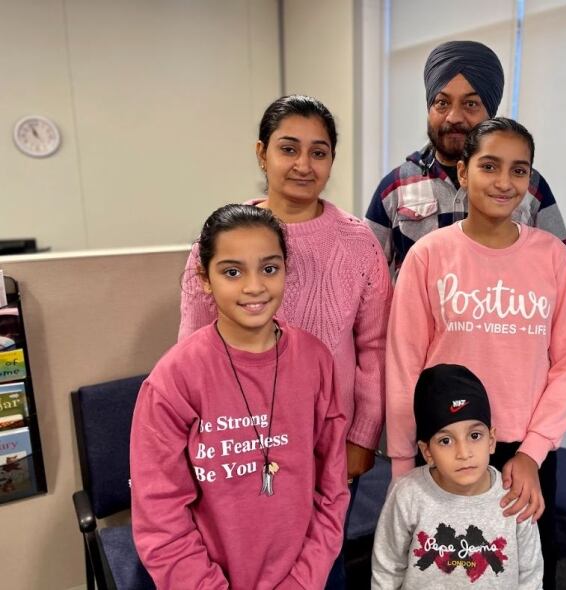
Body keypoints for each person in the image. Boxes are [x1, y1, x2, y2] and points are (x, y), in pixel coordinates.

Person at [385, 118, 566, 590]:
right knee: (440, 574)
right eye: (489, 166)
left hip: (523, 452)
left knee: (516, 574)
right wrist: (403, 468)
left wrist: (534, 452)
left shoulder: (552, 257)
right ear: (462, 172)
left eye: (519, 171)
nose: (504, 182)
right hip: (443, 447)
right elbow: (403, 367)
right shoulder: (429, 255)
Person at [130, 204, 348, 589]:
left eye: (269, 268)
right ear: (205, 278)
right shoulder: (174, 380)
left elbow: (331, 489)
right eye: (232, 272)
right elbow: (161, 519)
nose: (254, 287)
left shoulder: (315, 360)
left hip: (305, 577)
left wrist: (303, 581)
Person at [179, 95, 392, 483]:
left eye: (319, 153)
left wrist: (363, 436)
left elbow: (375, 349)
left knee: (329, 544)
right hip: (239, 444)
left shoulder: (359, 243)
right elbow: (192, 352)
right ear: (262, 153)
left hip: (330, 442)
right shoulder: (220, 241)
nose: (303, 165)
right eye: (288, 149)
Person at [365, 40, 566, 278]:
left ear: (491, 113)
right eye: (442, 103)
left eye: (470, 104)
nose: (454, 117)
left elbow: (563, 273)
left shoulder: (527, 186)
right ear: (429, 108)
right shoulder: (395, 187)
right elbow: (363, 281)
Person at [372, 364, 543, 589]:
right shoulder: (407, 495)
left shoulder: (514, 497)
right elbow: (387, 568)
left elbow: (530, 576)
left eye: (474, 435)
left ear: (491, 441)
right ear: (427, 452)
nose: (463, 453)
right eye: (446, 441)